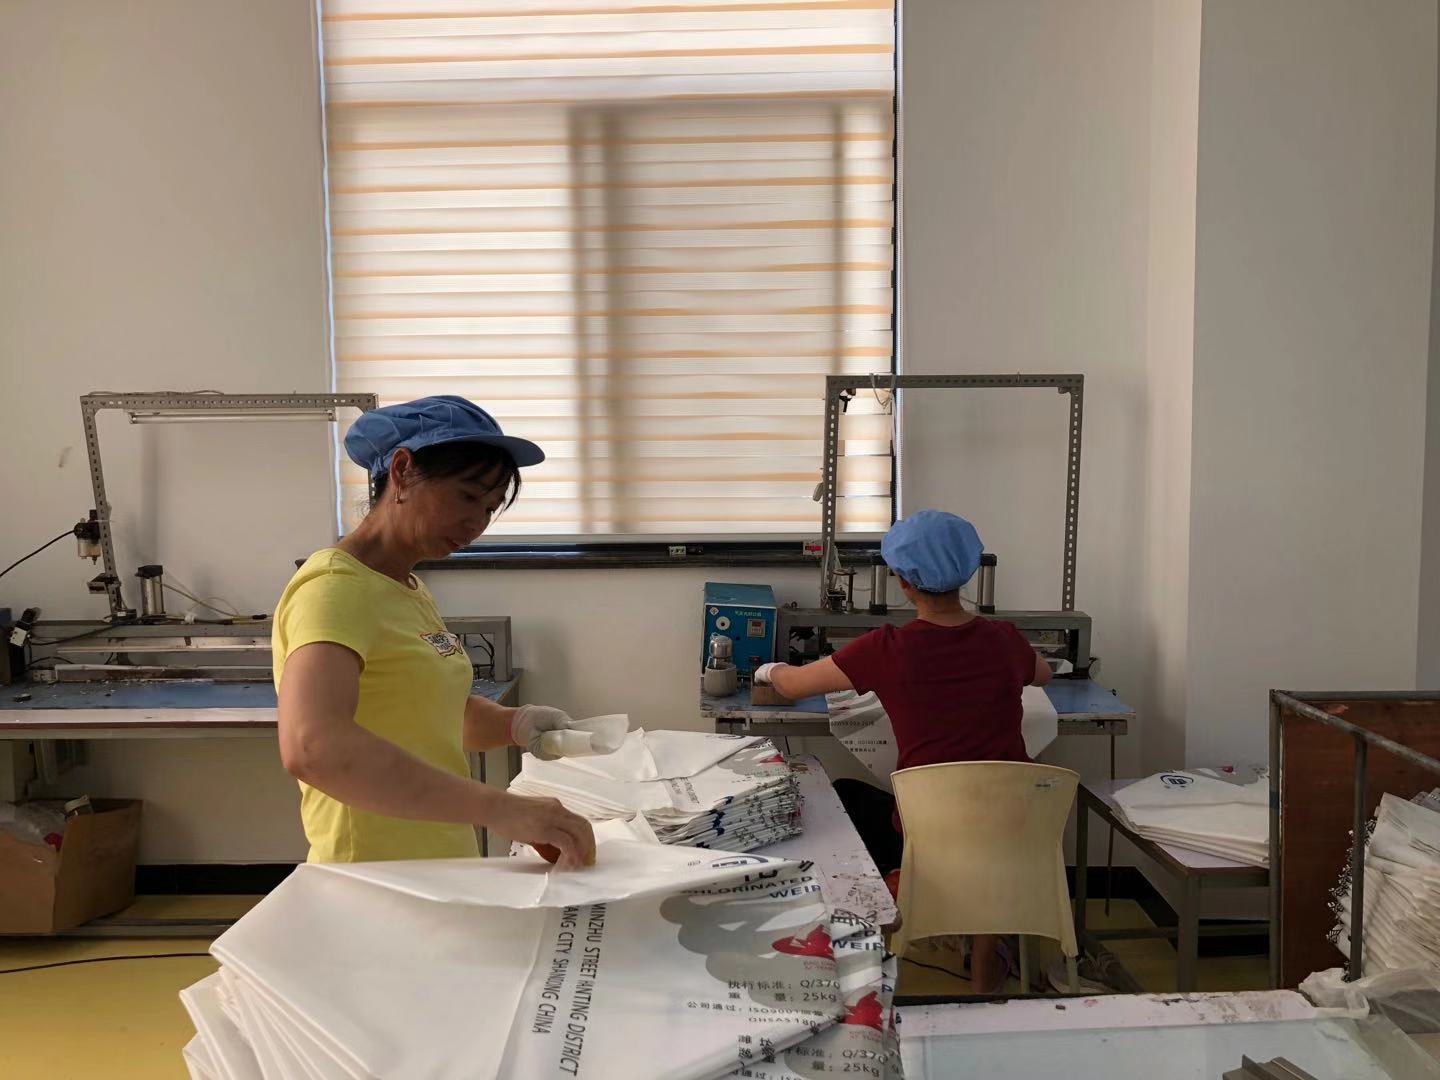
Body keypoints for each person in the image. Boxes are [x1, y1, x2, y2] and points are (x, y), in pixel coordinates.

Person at [273, 395, 598, 869]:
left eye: (489, 508)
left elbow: (431, 712)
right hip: (374, 873)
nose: (476, 523)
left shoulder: (406, 589)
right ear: (402, 471)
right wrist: (501, 809)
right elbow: (313, 747)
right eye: (466, 497)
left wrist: (516, 724)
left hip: (436, 860)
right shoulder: (334, 589)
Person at [753, 509, 1050, 992]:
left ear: (903, 582)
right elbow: (1044, 674)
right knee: (981, 830)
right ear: (968, 573)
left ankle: (890, 907)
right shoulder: (1004, 639)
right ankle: (985, 948)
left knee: (844, 795)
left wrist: (768, 669)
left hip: (928, 833)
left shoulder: (887, 647)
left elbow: (793, 686)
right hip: (1011, 829)